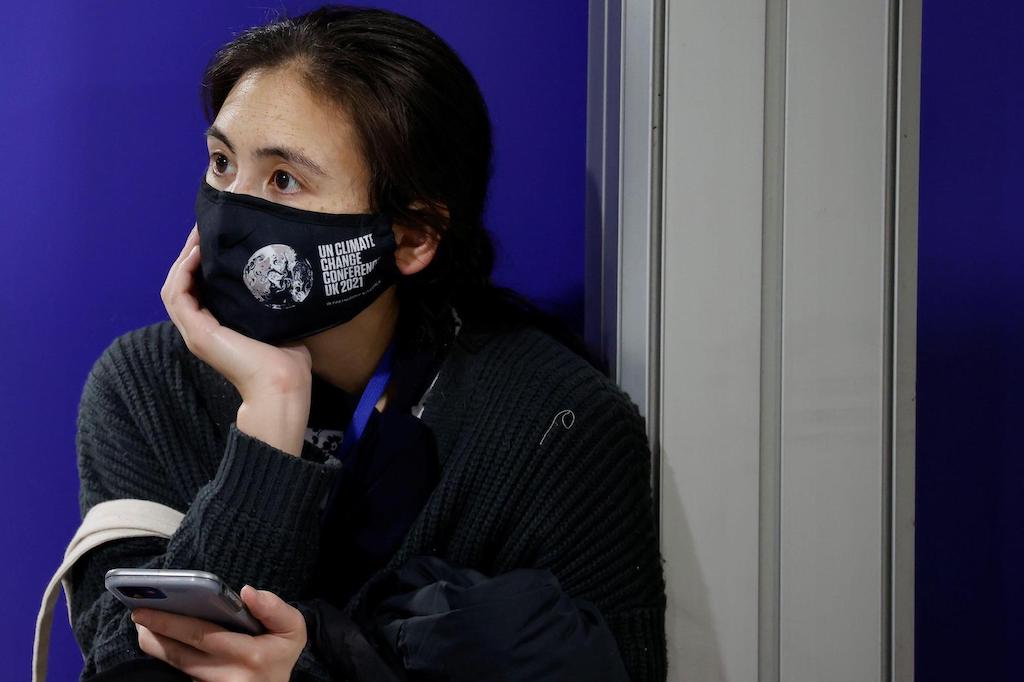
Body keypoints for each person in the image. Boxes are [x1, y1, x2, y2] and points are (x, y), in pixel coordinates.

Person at [69, 6, 666, 681]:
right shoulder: (145, 387)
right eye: (221, 163)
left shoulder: (554, 422)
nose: (231, 211)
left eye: (283, 179)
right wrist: (272, 414)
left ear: (410, 238)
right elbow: (132, 669)